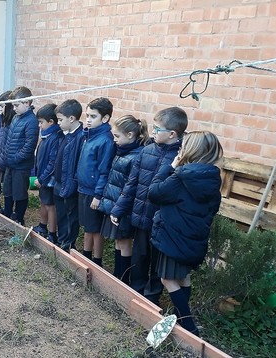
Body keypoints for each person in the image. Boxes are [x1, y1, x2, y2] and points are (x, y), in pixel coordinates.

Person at [110, 106, 188, 305]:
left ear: (172, 134)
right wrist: (119, 208)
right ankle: (136, 293)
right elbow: (131, 184)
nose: (152, 132)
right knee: (140, 257)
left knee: (156, 264)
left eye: (157, 129)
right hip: (140, 216)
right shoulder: (147, 151)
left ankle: (151, 299)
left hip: (162, 221)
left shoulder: (181, 158)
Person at [148, 131, 223, 336]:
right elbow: (213, 208)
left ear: (190, 151)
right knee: (183, 277)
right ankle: (180, 316)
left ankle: (188, 326)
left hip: (173, 235)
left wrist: (169, 167)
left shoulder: (181, 177)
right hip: (193, 237)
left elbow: (154, 193)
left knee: (167, 279)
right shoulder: (212, 178)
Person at [97, 115, 148, 284]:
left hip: (124, 208)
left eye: (117, 136)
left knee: (124, 242)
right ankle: (117, 274)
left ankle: (123, 278)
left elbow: (130, 186)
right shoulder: (122, 151)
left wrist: (119, 207)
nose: (114, 139)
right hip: (115, 204)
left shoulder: (136, 156)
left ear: (131, 135)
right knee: (118, 242)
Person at [77, 97, 116, 266]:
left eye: (93, 116)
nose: (88, 120)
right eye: (87, 116)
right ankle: (86, 255)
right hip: (84, 188)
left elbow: (104, 170)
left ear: (105, 118)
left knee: (96, 229)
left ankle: (97, 260)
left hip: (94, 192)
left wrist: (98, 195)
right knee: (88, 226)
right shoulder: (89, 136)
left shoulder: (105, 140)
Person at [1, 86, 39, 225]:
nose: (14, 108)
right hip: (10, 163)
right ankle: (7, 213)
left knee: (19, 193)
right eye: (13, 105)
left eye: (17, 105)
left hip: (21, 165)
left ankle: (19, 217)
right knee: (8, 190)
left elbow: (29, 146)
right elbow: (9, 139)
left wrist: (14, 159)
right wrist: (6, 157)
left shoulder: (31, 121)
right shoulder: (16, 118)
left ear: (27, 103)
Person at [53, 99, 84, 251]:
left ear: (71, 119)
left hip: (70, 184)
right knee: (61, 214)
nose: (58, 123)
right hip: (60, 183)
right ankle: (62, 239)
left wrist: (71, 183)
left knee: (70, 215)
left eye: (60, 120)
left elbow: (76, 164)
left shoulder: (80, 137)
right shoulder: (66, 135)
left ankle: (68, 243)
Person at [32, 103, 63, 243]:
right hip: (43, 178)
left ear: (51, 122)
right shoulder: (46, 135)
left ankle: (52, 234)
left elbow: (52, 163)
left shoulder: (55, 138)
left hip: (49, 180)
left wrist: (42, 178)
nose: (39, 126)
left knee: (50, 206)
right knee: (43, 202)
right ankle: (42, 226)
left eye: (41, 122)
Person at [0, 90, 15, 214]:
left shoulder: (12, 124)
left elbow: (8, 146)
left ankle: (9, 211)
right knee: (6, 187)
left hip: (9, 161)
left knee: (10, 188)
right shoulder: (4, 122)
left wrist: (2, 161)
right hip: (3, 160)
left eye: (2, 106)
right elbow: (1, 144)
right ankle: (7, 209)